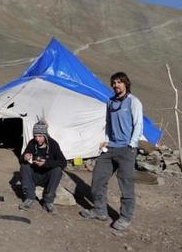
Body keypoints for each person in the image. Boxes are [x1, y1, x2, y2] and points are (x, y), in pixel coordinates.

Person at [80, 72, 143, 231]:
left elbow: (138, 124)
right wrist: (106, 139)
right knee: (98, 179)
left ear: (126, 84)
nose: (116, 85)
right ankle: (100, 211)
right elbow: (108, 123)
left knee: (125, 184)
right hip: (110, 147)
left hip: (126, 149)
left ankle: (125, 217)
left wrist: (131, 145)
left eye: (119, 82)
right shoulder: (110, 102)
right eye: (114, 83)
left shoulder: (133, 102)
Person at [18, 120, 67, 213]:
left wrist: (46, 163)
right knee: (24, 166)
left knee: (57, 169)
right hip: (35, 175)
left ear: (45, 135)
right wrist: (25, 157)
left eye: (40, 136)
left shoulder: (53, 144)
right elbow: (21, 160)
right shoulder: (32, 143)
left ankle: (48, 201)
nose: (37, 139)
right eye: (35, 136)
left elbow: (63, 162)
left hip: (47, 176)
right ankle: (29, 198)